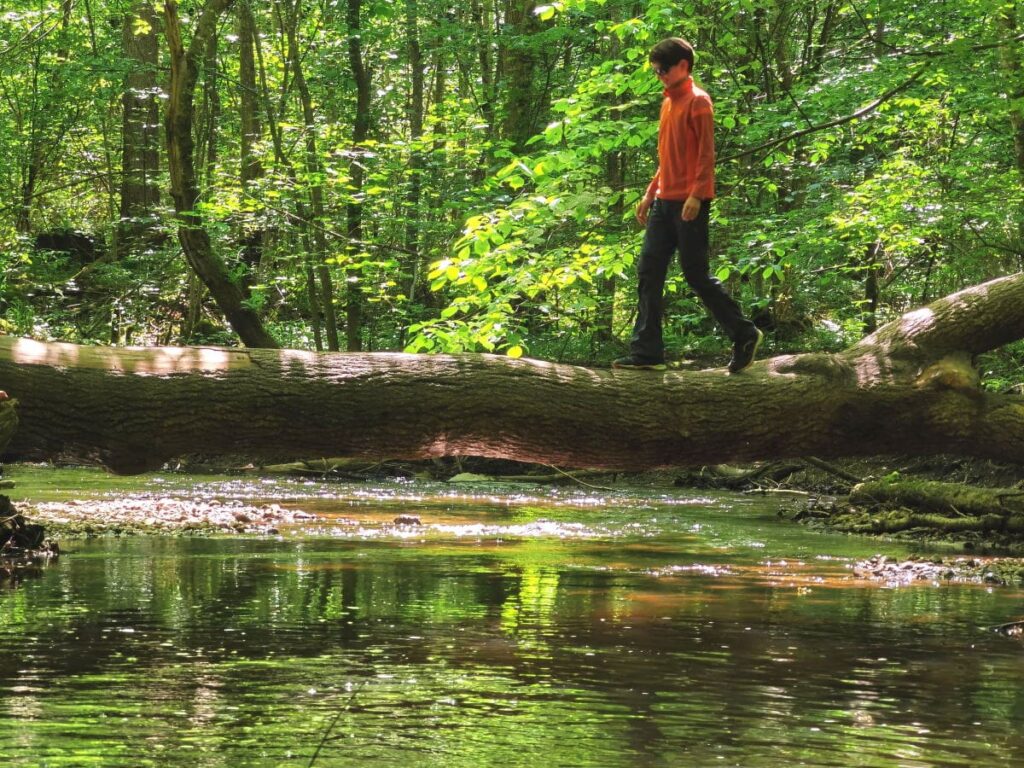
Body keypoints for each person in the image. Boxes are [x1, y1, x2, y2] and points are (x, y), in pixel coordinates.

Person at [613, 37, 762, 373]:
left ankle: (744, 332)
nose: (660, 75)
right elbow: (668, 158)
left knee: (695, 274)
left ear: (683, 65)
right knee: (649, 271)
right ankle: (647, 352)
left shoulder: (699, 102)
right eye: (655, 71)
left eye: (663, 69)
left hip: (689, 204)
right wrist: (650, 193)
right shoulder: (667, 104)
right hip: (664, 202)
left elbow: (706, 155)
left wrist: (697, 194)